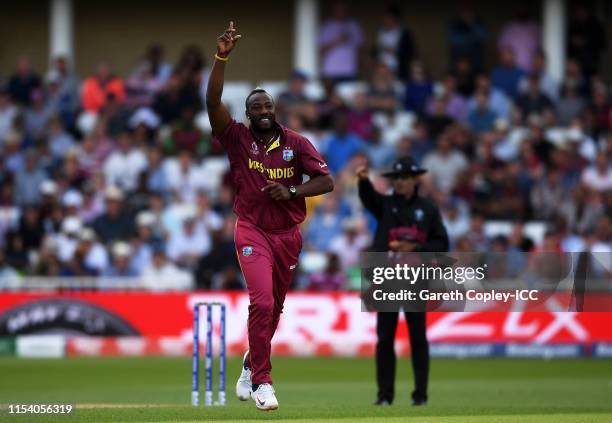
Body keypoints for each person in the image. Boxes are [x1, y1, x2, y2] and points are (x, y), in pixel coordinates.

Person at [206, 21, 334, 411]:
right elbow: (213, 104)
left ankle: (249, 363)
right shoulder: (236, 138)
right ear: (247, 115)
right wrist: (221, 57)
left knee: (274, 309)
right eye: (255, 107)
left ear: (273, 110)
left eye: (267, 106)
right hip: (251, 230)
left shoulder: (296, 142)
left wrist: (294, 190)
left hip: (288, 234)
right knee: (260, 303)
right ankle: (263, 381)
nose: (262, 111)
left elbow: (325, 181)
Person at [356, 156, 449, 406]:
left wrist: (416, 246)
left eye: (404, 178)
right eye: (396, 178)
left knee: (418, 338)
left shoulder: (428, 208)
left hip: (416, 280)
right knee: (385, 338)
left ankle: (420, 396)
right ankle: (384, 396)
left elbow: (442, 243)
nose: (399, 182)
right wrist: (363, 182)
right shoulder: (385, 205)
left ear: (414, 180)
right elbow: (368, 199)